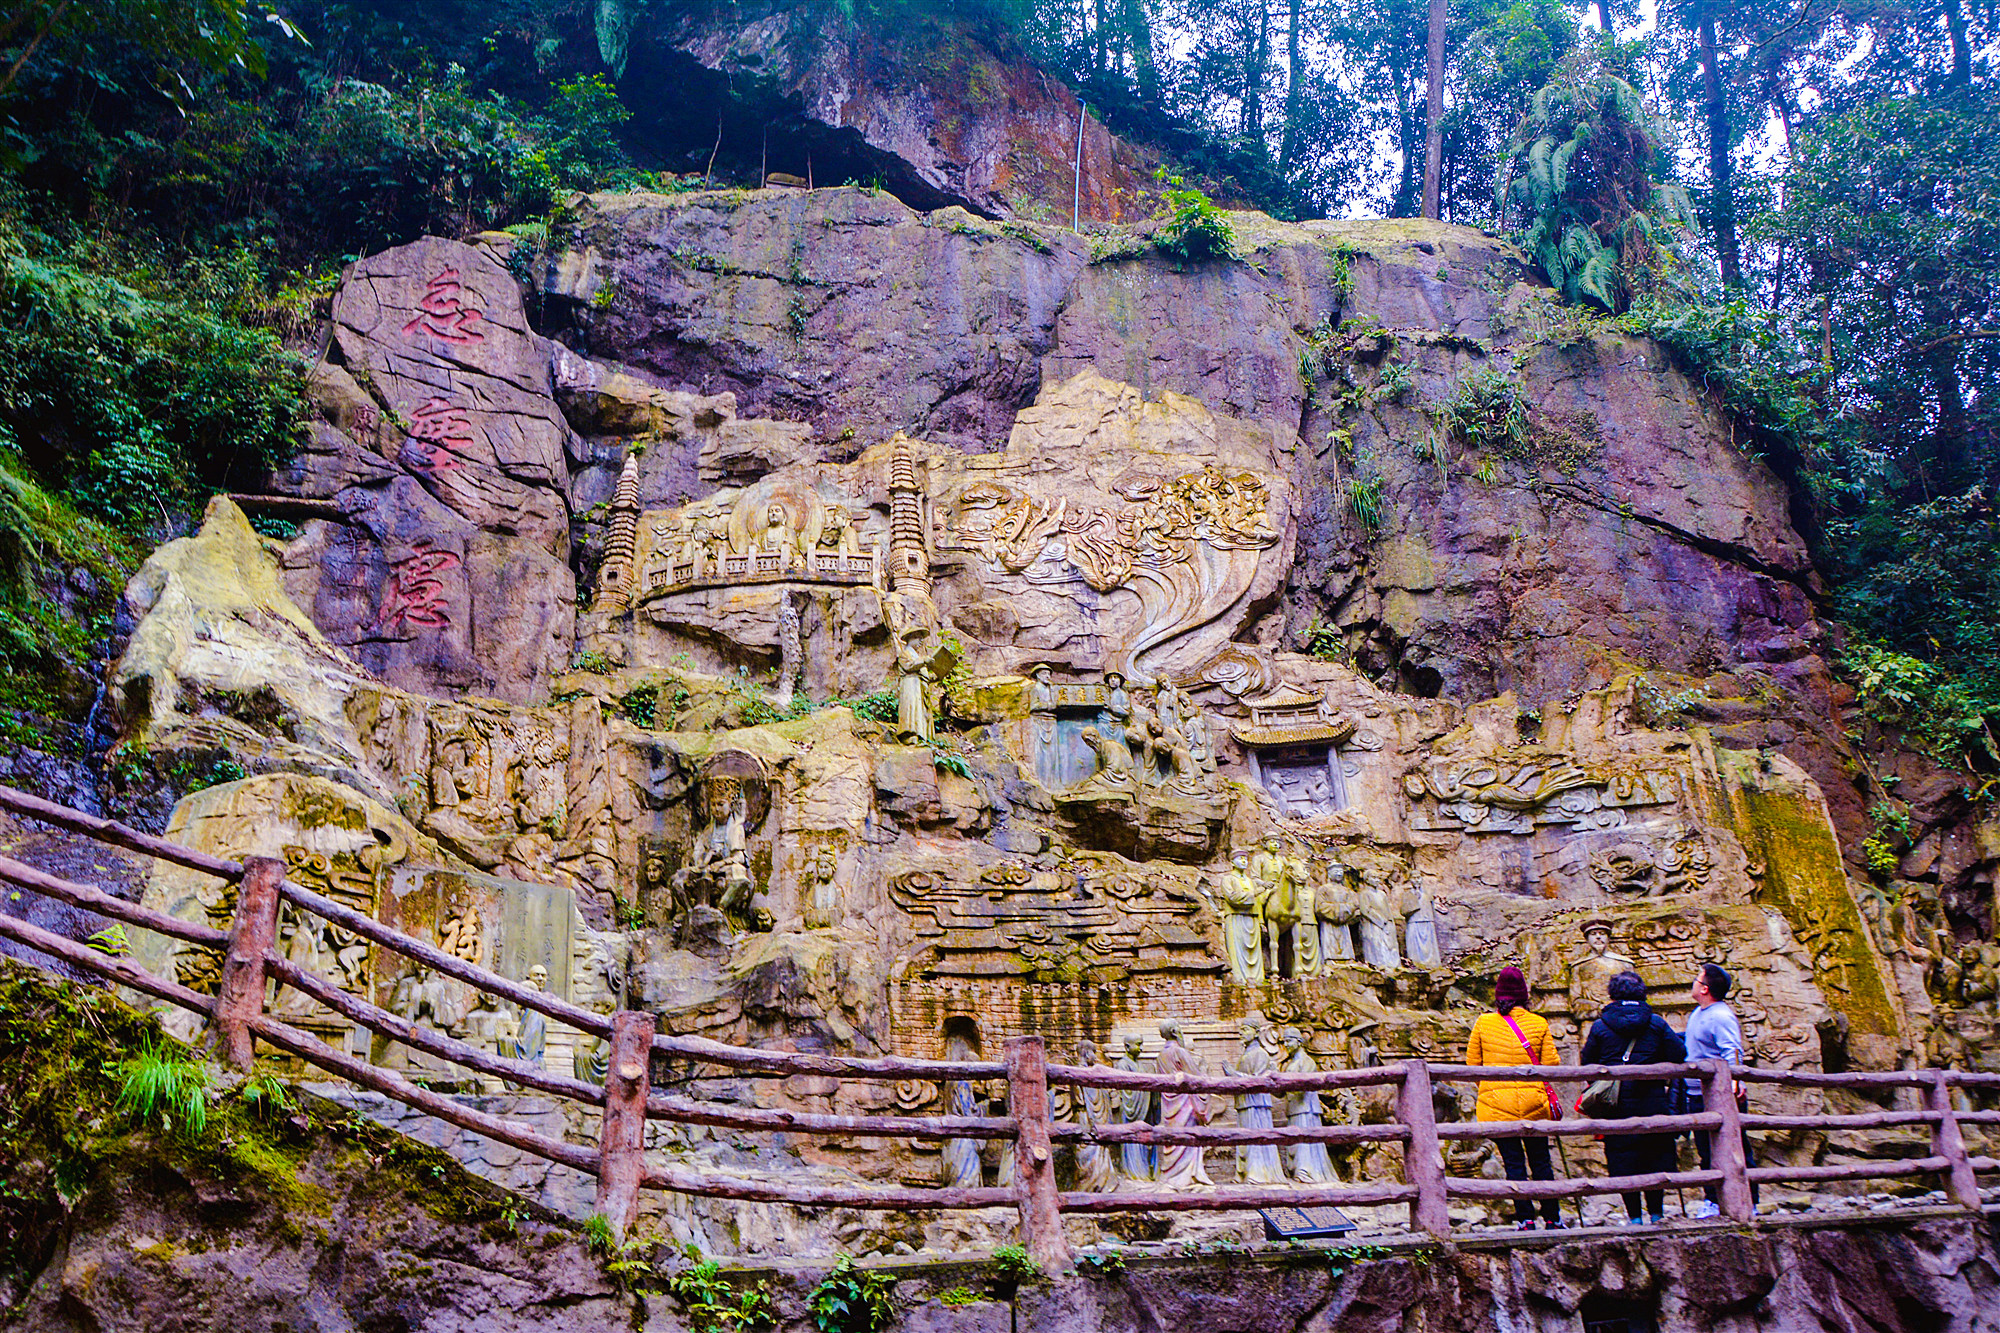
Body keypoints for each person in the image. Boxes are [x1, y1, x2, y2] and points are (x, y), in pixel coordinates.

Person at [1581, 970, 1687, 1224]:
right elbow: (1679, 1053)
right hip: (1652, 1100)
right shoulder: (1656, 1023)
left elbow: (1587, 1063)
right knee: (1654, 1155)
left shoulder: (1601, 1025)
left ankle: (1634, 1217)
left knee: (1622, 1157)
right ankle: (1657, 1213)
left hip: (1616, 1105)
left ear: (1613, 994)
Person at [1466, 965, 1564, 1230]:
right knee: (1541, 1161)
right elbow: (1551, 1064)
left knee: (1513, 1164)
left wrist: (1491, 1087)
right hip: (1534, 1103)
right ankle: (1553, 1217)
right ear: (1524, 995)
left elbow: (1472, 1065)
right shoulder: (1538, 1023)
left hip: (1497, 1104)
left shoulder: (1483, 1023)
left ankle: (1525, 1218)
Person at [1683, 961, 1757, 1217]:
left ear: (1704, 988)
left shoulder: (1720, 1015)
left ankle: (1749, 1201)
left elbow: (1732, 1049)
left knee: (1737, 1149)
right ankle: (1714, 1200)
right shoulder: (1698, 1013)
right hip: (1696, 1092)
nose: (1693, 982)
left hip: (1720, 1092)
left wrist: (1735, 1080)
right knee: (1706, 1151)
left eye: (1697, 979)